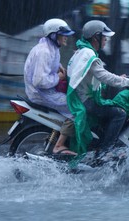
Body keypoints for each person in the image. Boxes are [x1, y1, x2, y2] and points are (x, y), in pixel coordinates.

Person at [66, 20, 129, 159]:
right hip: (86, 101)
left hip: (79, 98)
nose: (106, 40)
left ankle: (100, 143)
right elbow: (105, 76)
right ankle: (105, 151)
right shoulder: (89, 54)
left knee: (110, 107)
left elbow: (97, 76)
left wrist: (119, 78)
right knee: (120, 113)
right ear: (96, 37)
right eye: (105, 36)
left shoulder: (82, 51)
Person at [24, 18, 77, 156]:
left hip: (47, 91)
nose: (66, 37)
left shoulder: (52, 48)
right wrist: (58, 77)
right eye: (63, 34)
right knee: (76, 109)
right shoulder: (44, 52)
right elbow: (40, 81)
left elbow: (54, 65)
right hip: (39, 93)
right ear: (53, 35)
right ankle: (58, 145)